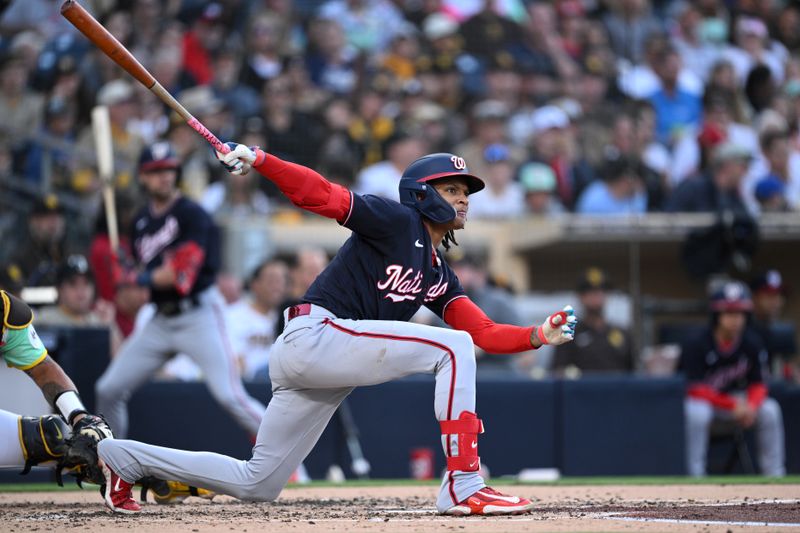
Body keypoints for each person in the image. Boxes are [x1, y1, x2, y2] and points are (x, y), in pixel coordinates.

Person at [96, 147, 577, 515]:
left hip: (321, 361)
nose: (463, 199)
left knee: (257, 483)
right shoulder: (396, 219)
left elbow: (486, 332)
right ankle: (464, 483)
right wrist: (261, 159)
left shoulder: (437, 271)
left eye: (465, 192)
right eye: (452, 189)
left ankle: (124, 457)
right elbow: (321, 194)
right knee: (448, 347)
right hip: (316, 336)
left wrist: (537, 335)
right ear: (423, 193)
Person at [93, 142, 266, 445]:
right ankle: (113, 465)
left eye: (169, 170)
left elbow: (180, 276)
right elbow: (132, 298)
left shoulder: (193, 215)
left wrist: (135, 276)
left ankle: (292, 463)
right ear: (143, 177)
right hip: (160, 320)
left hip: (199, 315)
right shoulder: (139, 223)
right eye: (156, 171)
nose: (164, 177)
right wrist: (124, 280)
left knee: (230, 397)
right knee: (108, 389)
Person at [680, 280, 785, 477]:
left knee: (770, 410)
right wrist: (732, 405)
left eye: (739, 313)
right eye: (728, 313)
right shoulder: (697, 342)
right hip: (711, 405)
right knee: (696, 413)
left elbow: (759, 384)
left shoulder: (752, 342)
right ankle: (695, 476)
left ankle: (774, 475)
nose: (734, 319)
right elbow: (694, 388)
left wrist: (751, 406)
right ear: (717, 315)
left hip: (739, 405)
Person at [551, 268, 634, 376]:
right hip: (581, 391)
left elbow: (634, 372)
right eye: (590, 292)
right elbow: (558, 373)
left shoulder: (623, 334)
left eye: (601, 292)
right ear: (580, 297)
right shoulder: (568, 335)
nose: (596, 297)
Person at [226, 259, 289, 381]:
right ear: (255, 285)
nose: (277, 287)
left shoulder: (288, 317)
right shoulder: (234, 314)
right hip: (248, 380)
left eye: (281, 282)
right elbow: (233, 358)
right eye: (271, 281)